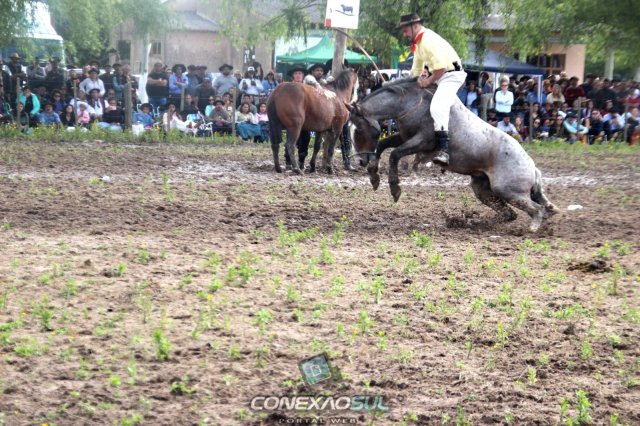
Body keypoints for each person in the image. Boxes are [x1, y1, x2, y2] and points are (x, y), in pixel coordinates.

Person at [398, 12, 466, 165]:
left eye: (406, 30)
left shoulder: (427, 41)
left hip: (451, 75)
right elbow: (416, 71)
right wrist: (404, 86)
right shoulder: (419, 44)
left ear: (415, 26)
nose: (404, 34)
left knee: (437, 107)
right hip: (442, 76)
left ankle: (444, 150)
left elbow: (441, 68)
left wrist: (427, 81)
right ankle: (426, 144)